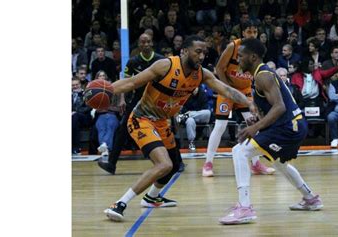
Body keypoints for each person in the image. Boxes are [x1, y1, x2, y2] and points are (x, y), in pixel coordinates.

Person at [103, 35, 257, 222]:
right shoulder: (164, 66)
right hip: (142, 119)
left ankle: (151, 198)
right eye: (198, 52)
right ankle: (119, 204)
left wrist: (249, 102)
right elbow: (131, 83)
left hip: (163, 122)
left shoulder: (202, 74)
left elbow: (227, 90)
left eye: (204, 53)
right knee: (164, 165)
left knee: (174, 165)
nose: (201, 57)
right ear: (184, 51)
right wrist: (105, 90)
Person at [219, 38, 323, 225]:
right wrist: (258, 120)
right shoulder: (259, 74)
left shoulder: (263, 75)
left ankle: (245, 208)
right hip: (291, 125)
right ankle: (310, 198)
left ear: (253, 57)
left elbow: (279, 107)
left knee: (239, 151)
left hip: (288, 127)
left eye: (240, 56)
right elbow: (273, 108)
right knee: (278, 162)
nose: (238, 60)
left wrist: (255, 127)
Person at [203, 21, 275, 177]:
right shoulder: (233, 46)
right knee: (220, 126)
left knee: (254, 124)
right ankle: (208, 164)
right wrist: (227, 87)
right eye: (249, 31)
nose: (252, 34)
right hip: (228, 90)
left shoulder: (258, 49)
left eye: (255, 32)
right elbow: (220, 68)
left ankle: (256, 164)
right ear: (243, 33)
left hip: (246, 90)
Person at [98, 33, 164, 175]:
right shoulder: (133, 62)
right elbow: (126, 82)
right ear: (139, 44)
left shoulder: (161, 60)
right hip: (138, 100)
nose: (145, 44)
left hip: (156, 100)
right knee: (123, 129)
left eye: (148, 42)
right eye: (142, 42)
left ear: (152, 43)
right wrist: (122, 99)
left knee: (164, 128)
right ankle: (111, 164)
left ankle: (177, 162)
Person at [93, 71, 121, 159]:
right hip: (100, 116)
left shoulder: (114, 91)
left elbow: (119, 108)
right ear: (96, 78)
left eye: (103, 76)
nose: (102, 77)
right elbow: (96, 109)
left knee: (110, 127)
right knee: (101, 128)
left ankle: (104, 146)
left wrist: (105, 107)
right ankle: (106, 148)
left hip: (113, 115)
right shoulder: (93, 90)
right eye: (100, 76)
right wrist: (107, 107)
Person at [177, 85, 212, 152]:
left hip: (201, 117)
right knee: (190, 120)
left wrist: (193, 113)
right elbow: (183, 109)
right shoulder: (187, 95)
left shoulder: (202, 94)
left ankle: (187, 115)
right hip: (190, 118)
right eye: (193, 88)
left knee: (208, 112)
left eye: (196, 88)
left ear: (198, 88)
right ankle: (191, 142)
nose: (194, 90)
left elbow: (205, 108)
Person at [72, 78, 92, 155]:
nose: (75, 86)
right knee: (74, 119)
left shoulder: (86, 94)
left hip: (85, 117)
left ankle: (76, 147)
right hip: (73, 118)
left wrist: (75, 112)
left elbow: (88, 107)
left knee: (75, 117)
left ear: (80, 85)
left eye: (76, 84)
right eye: (73, 85)